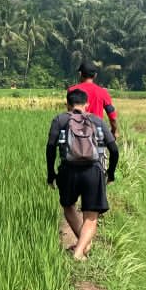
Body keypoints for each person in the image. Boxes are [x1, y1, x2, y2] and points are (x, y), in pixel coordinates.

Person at [47, 88, 119, 260]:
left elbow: (50, 148)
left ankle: (81, 247)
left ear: (67, 104)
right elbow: (114, 149)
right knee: (91, 215)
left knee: (68, 207)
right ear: (87, 104)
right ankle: (81, 250)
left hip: (68, 170)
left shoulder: (60, 119)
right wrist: (111, 172)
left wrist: (51, 174)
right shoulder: (96, 120)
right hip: (93, 171)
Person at [68, 61, 118, 137]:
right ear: (95, 75)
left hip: (76, 133)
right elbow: (112, 117)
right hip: (96, 135)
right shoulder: (102, 92)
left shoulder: (72, 90)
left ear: (80, 74)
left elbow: (69, 113)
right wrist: (113, 132)